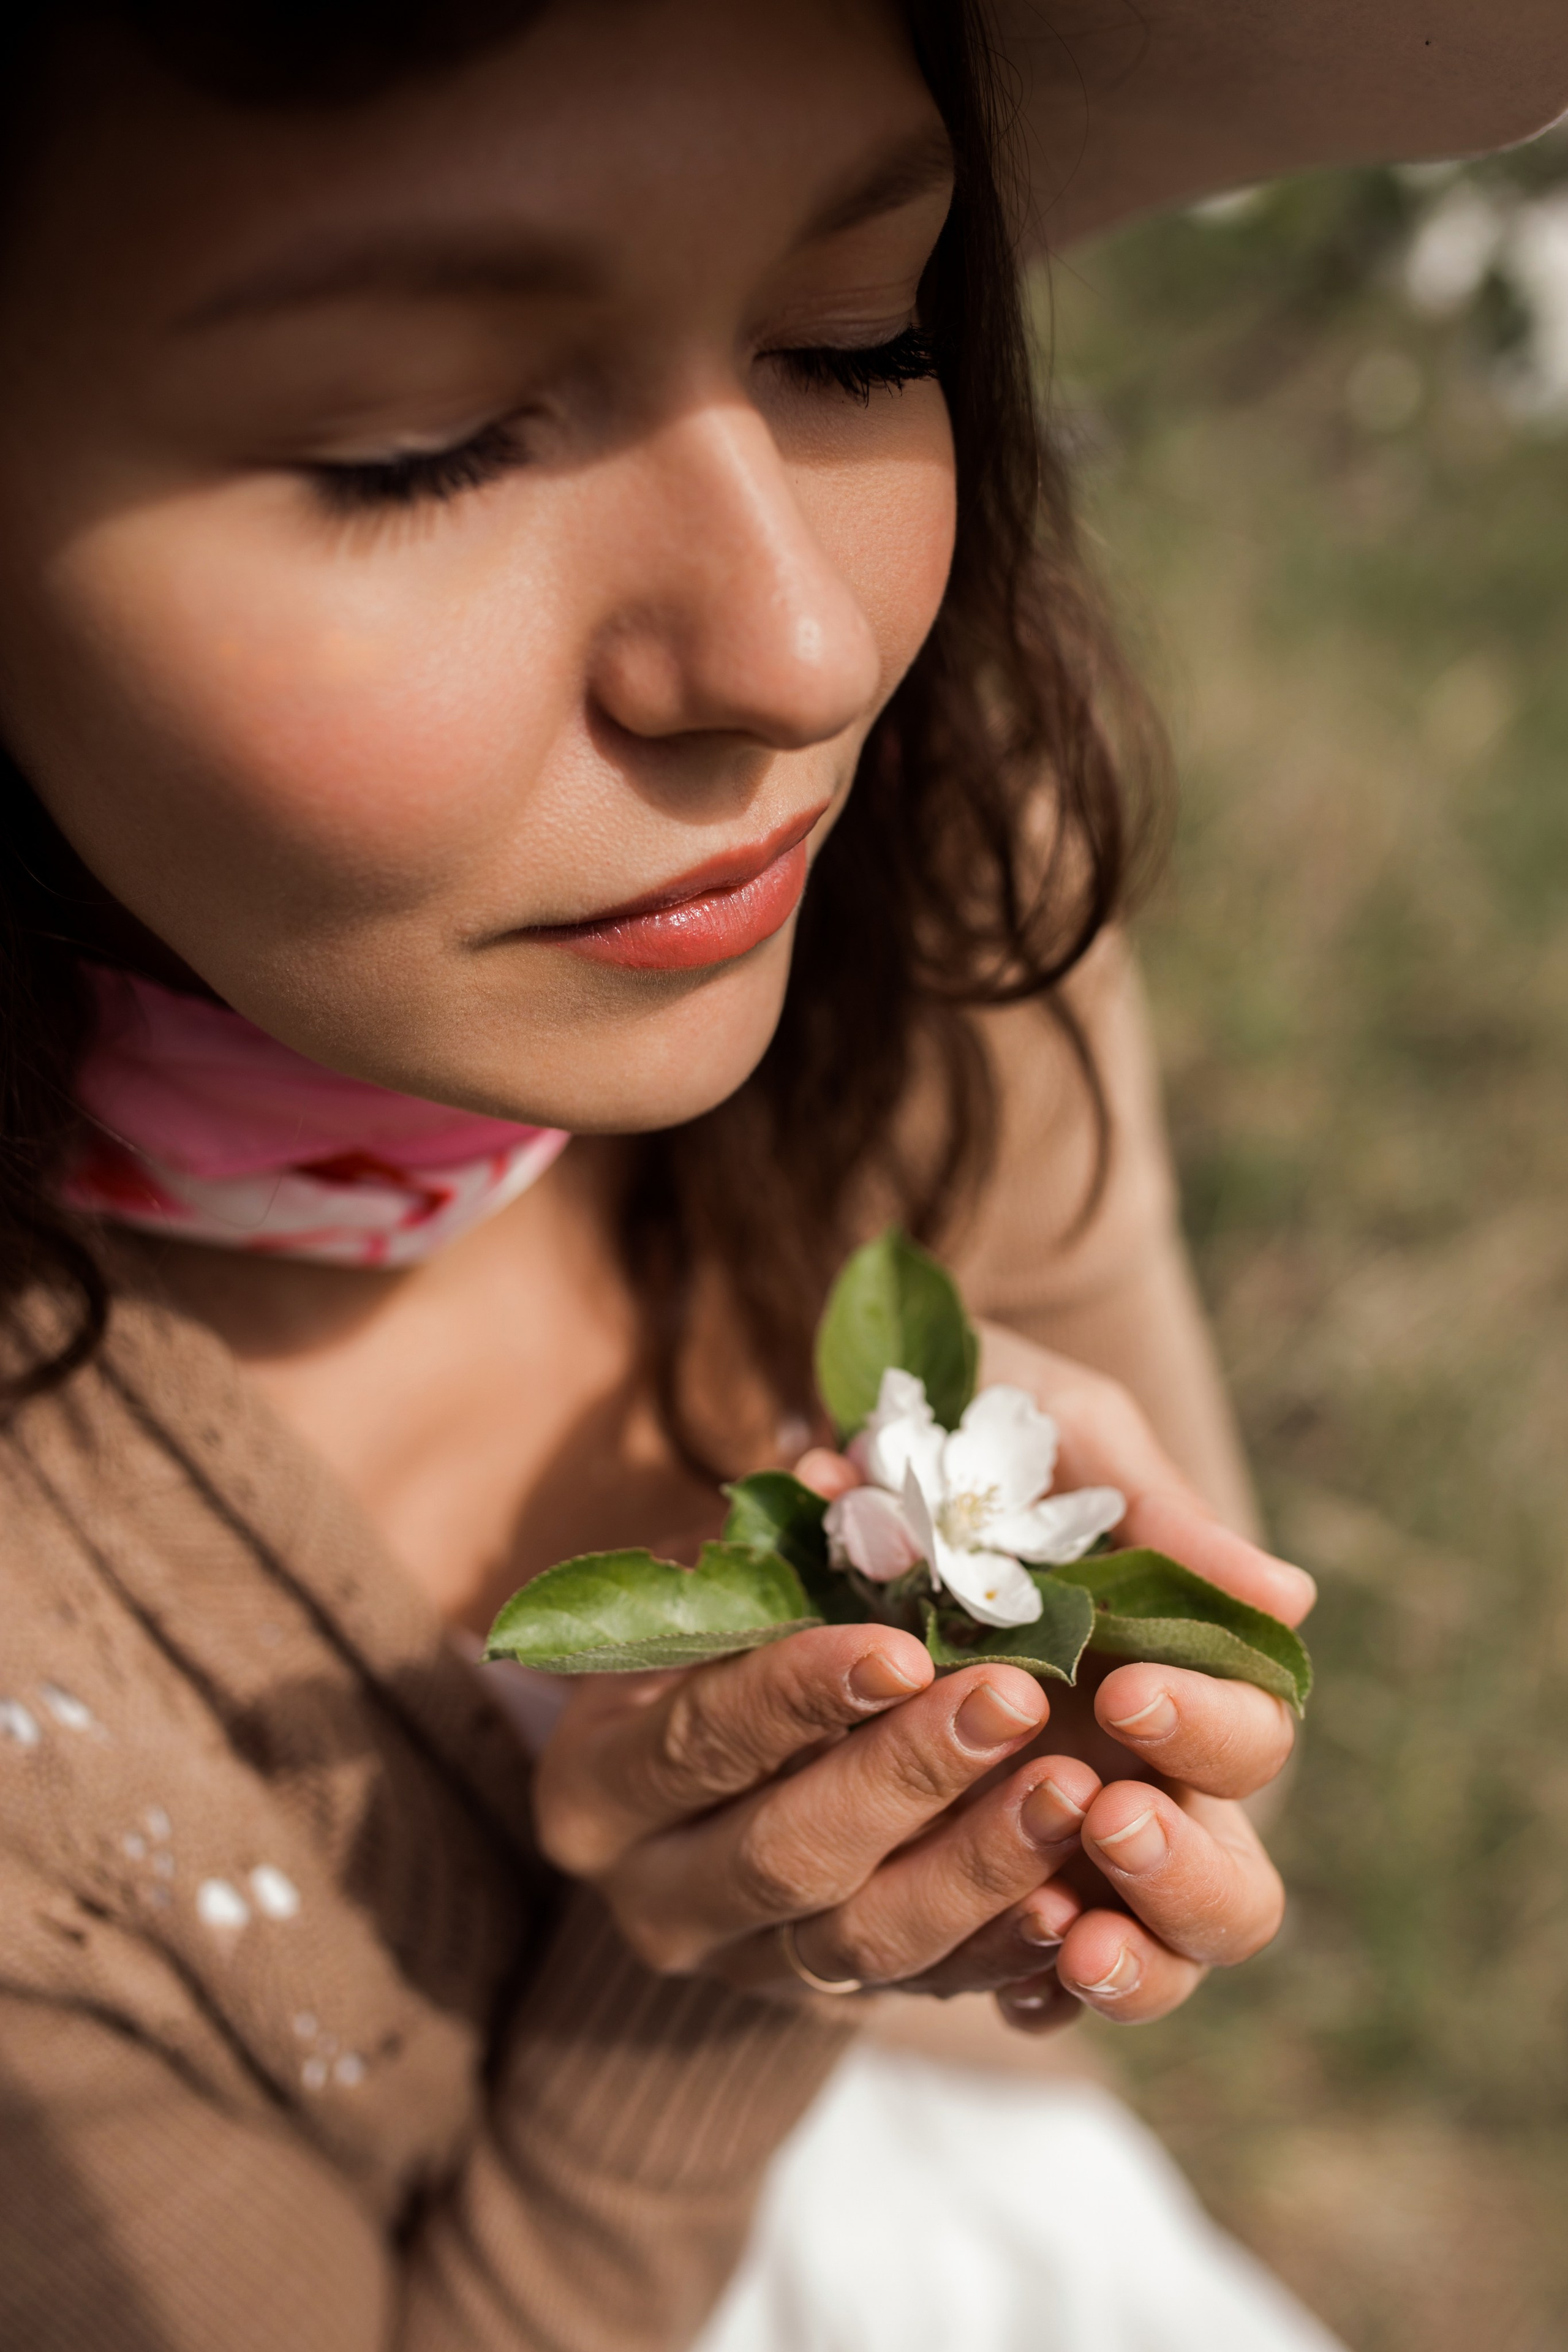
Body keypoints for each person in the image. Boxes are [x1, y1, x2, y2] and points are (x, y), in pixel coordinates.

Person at [0, 7, 1561, 2351]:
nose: (801, 649)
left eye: (859, 336)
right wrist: (704, 1964)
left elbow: (1205, 1793)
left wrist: (1055, 1775)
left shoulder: (934, 900)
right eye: (417, 447)